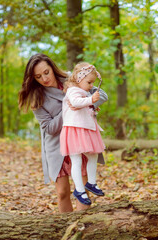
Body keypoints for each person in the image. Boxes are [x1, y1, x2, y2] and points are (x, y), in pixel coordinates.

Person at [18, 53, 108, 212]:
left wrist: (88, 105)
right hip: (56, 144)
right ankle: (65, 228)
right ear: (33, 79)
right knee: (62, 192)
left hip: (80, 137)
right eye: (38, 77)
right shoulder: (36, 97)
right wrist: (69, 108)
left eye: (46, 72)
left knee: (83, 189)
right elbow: (49, 128)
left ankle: (81, 227)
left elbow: (102, 95)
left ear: (52, 68)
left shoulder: (71, 79)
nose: (44, 79)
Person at [60, 62, 106, 206]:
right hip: (74, 129)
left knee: (92, 156)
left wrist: (91, 106)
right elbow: (75, 101)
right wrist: (89, 100)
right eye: (89, 82)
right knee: (77, 160)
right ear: (79, 79)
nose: (91, 85)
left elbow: (84, 106)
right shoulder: (73, 90)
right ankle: (79, 190)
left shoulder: (85, 91)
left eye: (93, 82)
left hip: (84, 129)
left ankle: (91, 182)